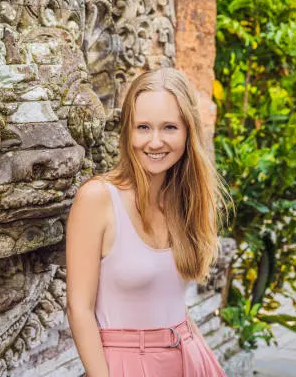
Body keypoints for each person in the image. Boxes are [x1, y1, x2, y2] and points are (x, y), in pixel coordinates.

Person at [66, 68, 229, 377]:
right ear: (128, 131)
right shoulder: (97, 199)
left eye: (169, 127)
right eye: (143, 127)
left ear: (187, 132)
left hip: (189, 356)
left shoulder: (184, 200)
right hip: (125, 364)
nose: (155, 142)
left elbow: (170, 301)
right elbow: (79, 309)